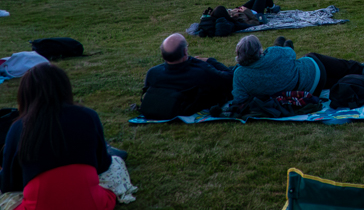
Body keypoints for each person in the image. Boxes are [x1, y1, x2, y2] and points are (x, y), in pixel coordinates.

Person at [0, 64, 116, 207]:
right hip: (91, 203)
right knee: (117, 163)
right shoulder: (88, 115)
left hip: (38, 205)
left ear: (25, 95)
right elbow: (103, 165)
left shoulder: (18, 127)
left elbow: (9, 184)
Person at [231, 35, 364, 103]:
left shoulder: (239, 75)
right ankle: (357, 69)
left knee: (320, 75)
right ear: (259, 50)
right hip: (313, 75)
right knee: (311, 56)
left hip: (307, 92)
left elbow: (239, 98)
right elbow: (292, 54)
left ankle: (353, 80)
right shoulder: (273, 53)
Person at [141, 34, 234, 119]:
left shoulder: (153, 72)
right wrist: (209, 60)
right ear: (185, 52)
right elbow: (230, 77)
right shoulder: (201, 72)